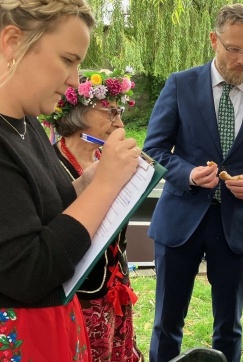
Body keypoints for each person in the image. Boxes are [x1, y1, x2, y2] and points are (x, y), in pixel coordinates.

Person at [143, 3, 243, 362]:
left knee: (229, 327)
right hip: (181, 222)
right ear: (214, 41)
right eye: (234, 49)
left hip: (236, 226)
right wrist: (188, 174)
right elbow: (154, 150)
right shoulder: (180, 84)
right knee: (166, 322)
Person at [0, 1, 141, 361]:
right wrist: (107, 185)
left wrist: (90, 181)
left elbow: (46, 212)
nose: (76, 80)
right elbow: (29, 270)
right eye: (67, 59)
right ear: (13, 41)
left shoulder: (26, 121)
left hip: (51, 330)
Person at [41, 69, 142, 361]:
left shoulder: (106, 161)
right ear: (80, 112)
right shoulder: (50, 165)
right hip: (79, 297)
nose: (120, 122)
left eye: (119, 112)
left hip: (112, 288)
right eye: (111, 112)